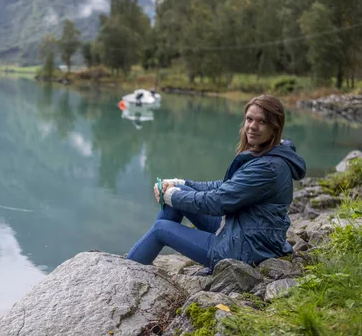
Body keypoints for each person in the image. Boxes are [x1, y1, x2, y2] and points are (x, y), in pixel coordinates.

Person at [126, 94, 307, 271]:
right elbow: (226, 186)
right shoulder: (269, 154)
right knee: (179, 190)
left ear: (275, 127)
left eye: (262, 121)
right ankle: (138, 260)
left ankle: (125, 273)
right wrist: (179, 183)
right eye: (249, 119)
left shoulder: (268, 167)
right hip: (242, 231)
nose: (252, 126)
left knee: (161, 229)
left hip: (246, 249)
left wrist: (170, 196)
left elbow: (218, 201)